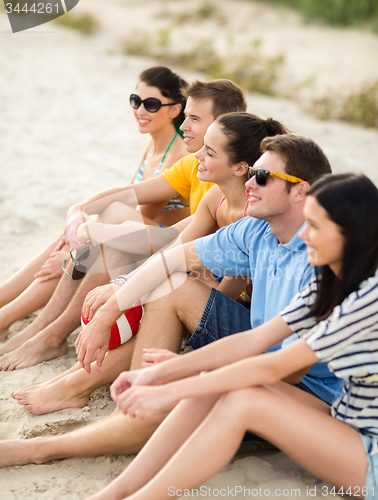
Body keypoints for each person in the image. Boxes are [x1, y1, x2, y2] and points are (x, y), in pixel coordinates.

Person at [0, 134, 339, 468]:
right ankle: (129, 412)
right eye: (252, 174)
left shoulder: (324, 256)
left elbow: (288, 370)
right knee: (171, 282)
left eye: (263, 178)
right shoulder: (256, 229)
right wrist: (108, 312)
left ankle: (44, 448)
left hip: (312, 392)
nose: (250, 183)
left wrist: (187, 371)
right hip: (263, 346)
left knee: (193, 391)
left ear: (301, 191)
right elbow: (171, 259)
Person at [83, 173, 378, 500]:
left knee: (241, 398)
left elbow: (274, 367)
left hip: (368, 451)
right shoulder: (329, 280)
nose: (304, 235)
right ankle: (116, 492)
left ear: (350, 234)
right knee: (220, 382)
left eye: (316, 227)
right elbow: (252, 342)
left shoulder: (367, 300)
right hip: (345, 419)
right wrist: (161, 372)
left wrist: (170, 392)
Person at [11, 112, 290, 414]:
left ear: (240, 168)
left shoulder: (255, 216)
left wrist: (139, 296)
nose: (197, 154)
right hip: (206, 290)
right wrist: (124, 287)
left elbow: (222, 298)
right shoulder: (216, 201)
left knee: (163, 294)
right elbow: (172, 249)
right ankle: (68, 363)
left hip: (247, 318)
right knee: (141, 272)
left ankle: (76, 382)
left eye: (209, 152)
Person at [0, 78, 247, 369]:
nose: (184, 125)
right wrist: (77, 211)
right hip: (179, 259)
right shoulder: (196, 164)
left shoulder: (231, 181)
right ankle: (42, 331)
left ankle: (46, 333)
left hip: (206, 285)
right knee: (104, 233)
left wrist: (101, 252)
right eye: (136, 101)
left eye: (193, 118)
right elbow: (136, 200)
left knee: (110, 232)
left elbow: (170, 240)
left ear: (223, 125)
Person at [0, 65, 189, 342]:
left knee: (79, 244)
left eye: (150, 104)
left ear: (175, 109)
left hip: (160, 247)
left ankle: (8, 318)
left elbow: (131, 215)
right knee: (68, 241)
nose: (140, 111)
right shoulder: (154, 145)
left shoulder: (178, 153)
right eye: (136, 102)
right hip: (136, 234)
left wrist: (77, 255)